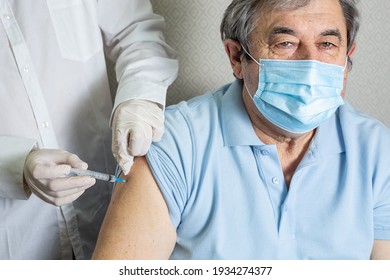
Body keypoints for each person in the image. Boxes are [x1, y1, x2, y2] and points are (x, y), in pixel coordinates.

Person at [92, 0, 390, 260]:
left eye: (327, 44)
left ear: (348, 56)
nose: (311, 64)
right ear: (237, 57)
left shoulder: (375, 149)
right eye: (286, 43)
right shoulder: (173, 145)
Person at [0, 0, 178, 259]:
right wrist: (15, 162)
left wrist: (138, 97)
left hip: (100, 209)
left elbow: (137, 31)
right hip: (17, 240)